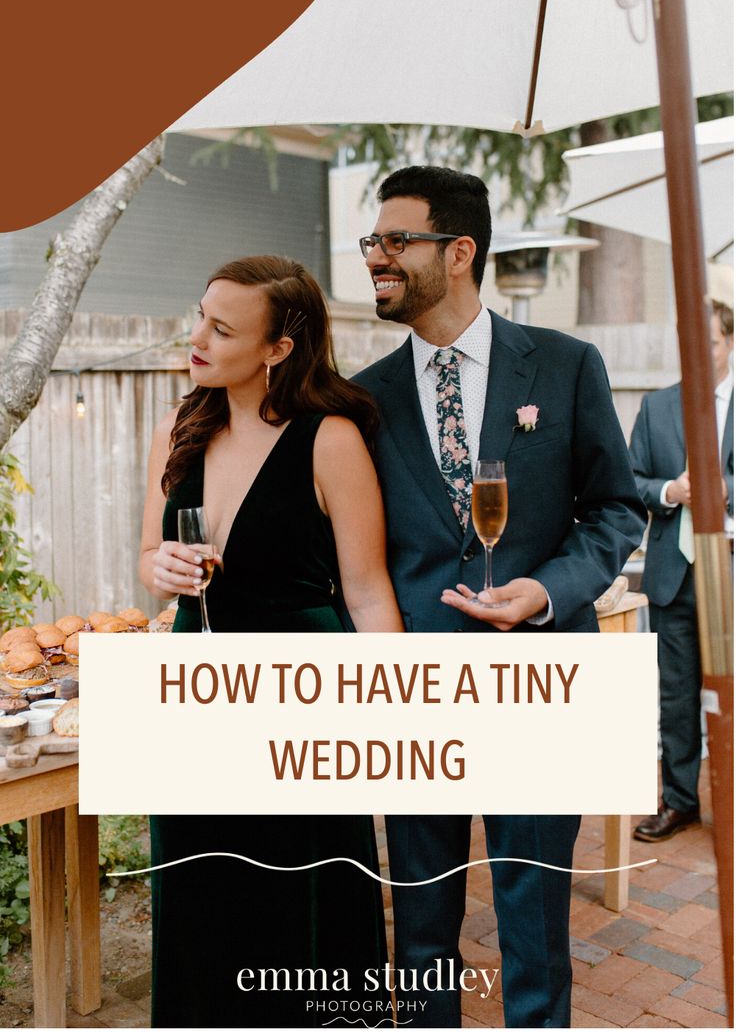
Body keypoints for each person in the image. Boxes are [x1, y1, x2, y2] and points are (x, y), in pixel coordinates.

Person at [353, 166, 646, 1029]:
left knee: (534, 924)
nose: (377, 257)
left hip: (541, 681)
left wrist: (546, 594)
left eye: (396, 241)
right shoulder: (363, 399)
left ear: (461, 250)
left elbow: (616, 508)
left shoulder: (563, 366)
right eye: (375, 242)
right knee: (421, 925)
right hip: (416, 695)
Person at [139, 255, 403, 1028]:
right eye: (199, 317)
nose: (196, 339)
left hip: (304, 703)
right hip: (195, 698)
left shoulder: (331, 440)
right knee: (200, 897)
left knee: (301, 903)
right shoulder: (177, 427)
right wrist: (161, 567)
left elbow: (366, 590)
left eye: (222, 329)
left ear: (278, 348)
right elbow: (147, 560)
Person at [629, 299, 733, 842]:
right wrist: (671, 490)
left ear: (729, 343)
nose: (699, 353)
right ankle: (680, 801)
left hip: (730, 577)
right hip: (673, 573)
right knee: (675, 696)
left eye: (710, 342)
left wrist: (719, 491)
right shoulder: (658, 406)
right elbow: (632, 479)